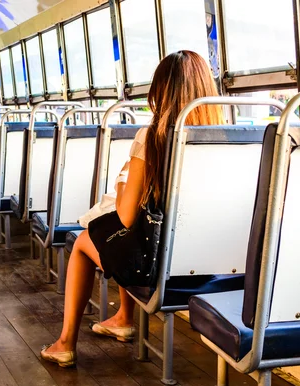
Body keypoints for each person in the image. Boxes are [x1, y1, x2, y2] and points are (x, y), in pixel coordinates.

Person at [40, 50, 224, 367]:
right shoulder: (226, 140)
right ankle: (124, 317)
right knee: (125, 237)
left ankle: (66, 341)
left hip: (160, 267)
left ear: (161, 91)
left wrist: (124, 181)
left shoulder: (151, 137)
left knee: (87, 239)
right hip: (214, 264)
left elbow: (125, 215)